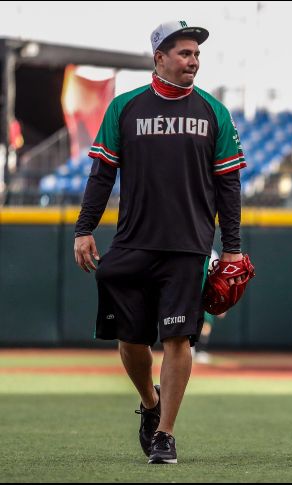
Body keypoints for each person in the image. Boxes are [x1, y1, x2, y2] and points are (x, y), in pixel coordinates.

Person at [72, 20, 247, 464]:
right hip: (132, 243)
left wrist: (232, 246)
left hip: (187, 245)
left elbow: (229, 185)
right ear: (160, 58)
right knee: (130, 340)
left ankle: (165, 433)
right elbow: (102, 174)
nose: (193, 60)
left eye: (196, 54)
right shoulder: (125, 107)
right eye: (184, 53)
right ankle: (150, 406)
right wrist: (84, 228)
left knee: (179, 339)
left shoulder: (213, 111)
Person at [192, 249, 227, 365]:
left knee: (206, 324)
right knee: (191, 321)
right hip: (193, 290)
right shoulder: (193, 249)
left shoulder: (213, 253)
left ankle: (200, 350)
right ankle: (192, 348)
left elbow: (216, 276)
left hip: (206, 291)